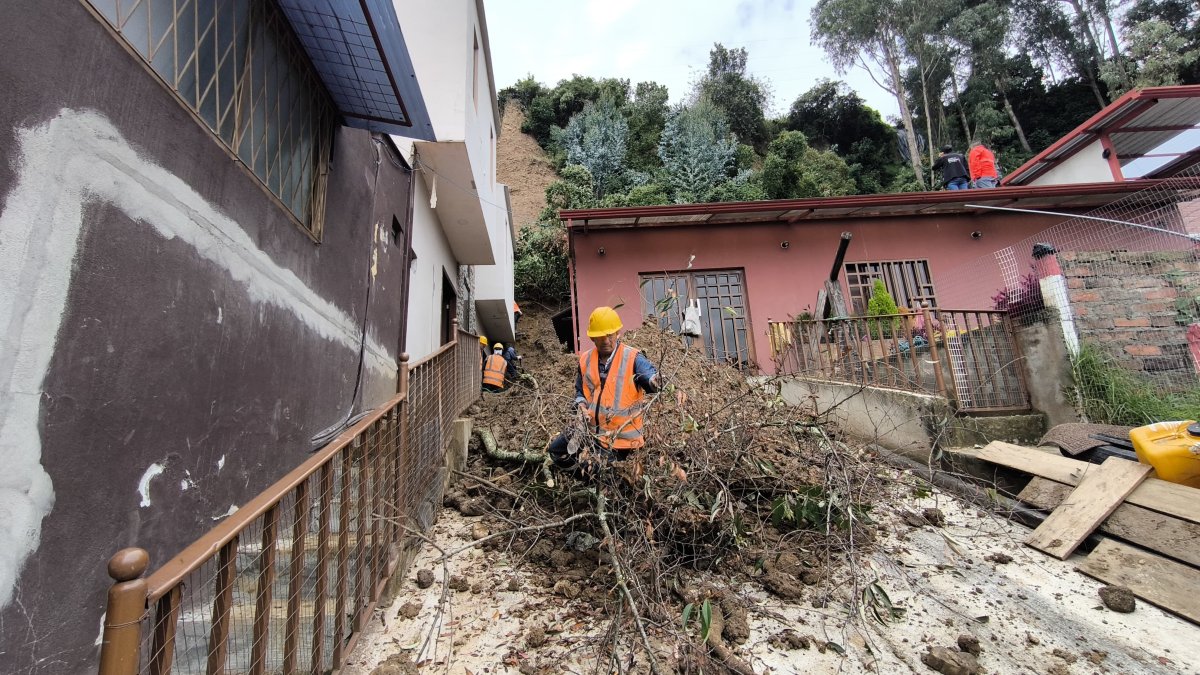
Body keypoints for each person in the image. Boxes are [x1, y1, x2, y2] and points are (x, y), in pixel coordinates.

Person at [548, 307, 665, 476]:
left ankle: (601, 482)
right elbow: (581, 391)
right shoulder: (585, 359)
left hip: (620, 440)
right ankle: (585, 480)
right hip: (590, 430)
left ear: (618, 333)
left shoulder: (633, 358)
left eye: (610, 335)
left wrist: (655, 381)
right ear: (592, 337)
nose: (606, 340)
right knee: (556, 451)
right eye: (601, 336)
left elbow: (649, 378)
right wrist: (580, 404)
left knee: (596, 467)